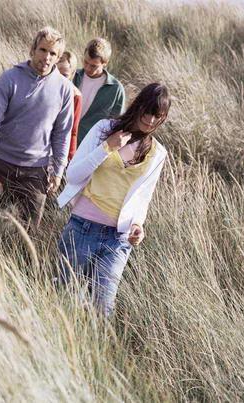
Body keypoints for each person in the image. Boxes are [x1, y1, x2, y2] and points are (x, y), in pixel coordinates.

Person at [57, 83, 171, 317]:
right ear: (138, 106)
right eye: (148, 112)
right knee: (64, 300)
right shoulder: (104, 129)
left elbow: (143, 198)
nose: (150, 121)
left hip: (118, 239)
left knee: (103, 310)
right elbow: (73, 175)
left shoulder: (158, 153)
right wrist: (106, 148)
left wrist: (138, 225)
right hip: (82, 228)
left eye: (158, 117)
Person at [0, 26, 74, 230]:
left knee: (28, 233)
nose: (47, 57)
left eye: (53, 53)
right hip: (0, 165)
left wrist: (58, 172)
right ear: (33, 49)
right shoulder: (9, 78)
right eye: (43, 50)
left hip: (36, 171)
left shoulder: (64, 89)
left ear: (58, 58)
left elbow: (62, 134)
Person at [73, 38, 125, 146]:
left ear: (105, 63)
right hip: (65, 140)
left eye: (93, 66)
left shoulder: (116, 89)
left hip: (90, 146)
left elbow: (116, 125)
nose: (87, 68)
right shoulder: (72, 76)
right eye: (85, 62)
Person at [56, 51, 82, 161]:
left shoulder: (75, 96)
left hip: (59, 150)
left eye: (65, 75)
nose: (61, 79)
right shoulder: (42, 88)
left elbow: (73, 131)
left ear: (72, 74)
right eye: (57, 74)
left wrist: (70, 158)